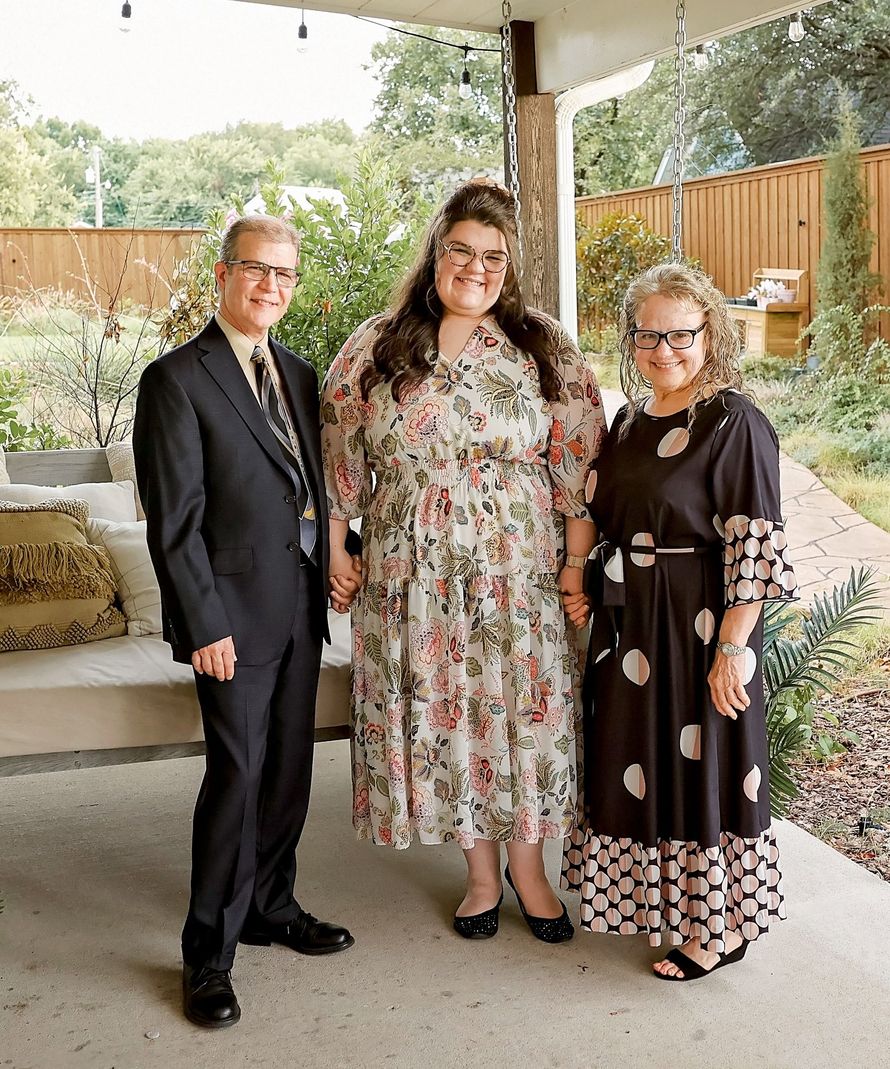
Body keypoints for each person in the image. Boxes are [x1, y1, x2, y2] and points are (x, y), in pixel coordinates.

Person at [320, 180, 605, 942]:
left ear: (509, 265)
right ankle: (480, 877)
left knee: (522, 713)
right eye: (461, 251)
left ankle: (531, 871)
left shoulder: (542, 345)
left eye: (493, 257)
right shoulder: (379, 344)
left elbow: (577, 459)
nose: (476, 269)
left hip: (518, 571)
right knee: (448, 715)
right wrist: (338, 545)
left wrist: (576, 568)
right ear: (435, 253)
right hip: (409, 574)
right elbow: (341, 445)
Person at [133, 216, 359, 1029]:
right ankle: (207, 956)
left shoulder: (298, 374)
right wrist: (204, 623)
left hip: (299, 608)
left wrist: (341, 550)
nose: (271, 286)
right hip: (229, 619)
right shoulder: (176, 379)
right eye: (257, 270)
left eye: (285, 275)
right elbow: (174, 521)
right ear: (224, 274)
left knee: (289, 768)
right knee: (236, 776)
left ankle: (271, 904)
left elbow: (315, 488)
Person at [560, 262, 798, 981]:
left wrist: (734, 645)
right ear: (630, 338)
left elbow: (753, 541)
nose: (664, 349)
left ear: (709, 334)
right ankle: (668, 904)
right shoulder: (630, 420)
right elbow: (598, 511)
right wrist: (584, 579)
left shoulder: (736, 422)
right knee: (641, 759)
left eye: (681, 334)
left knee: (707, 764)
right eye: (648, 334)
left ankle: (719, 926)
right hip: (631, 627)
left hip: (701, 621)